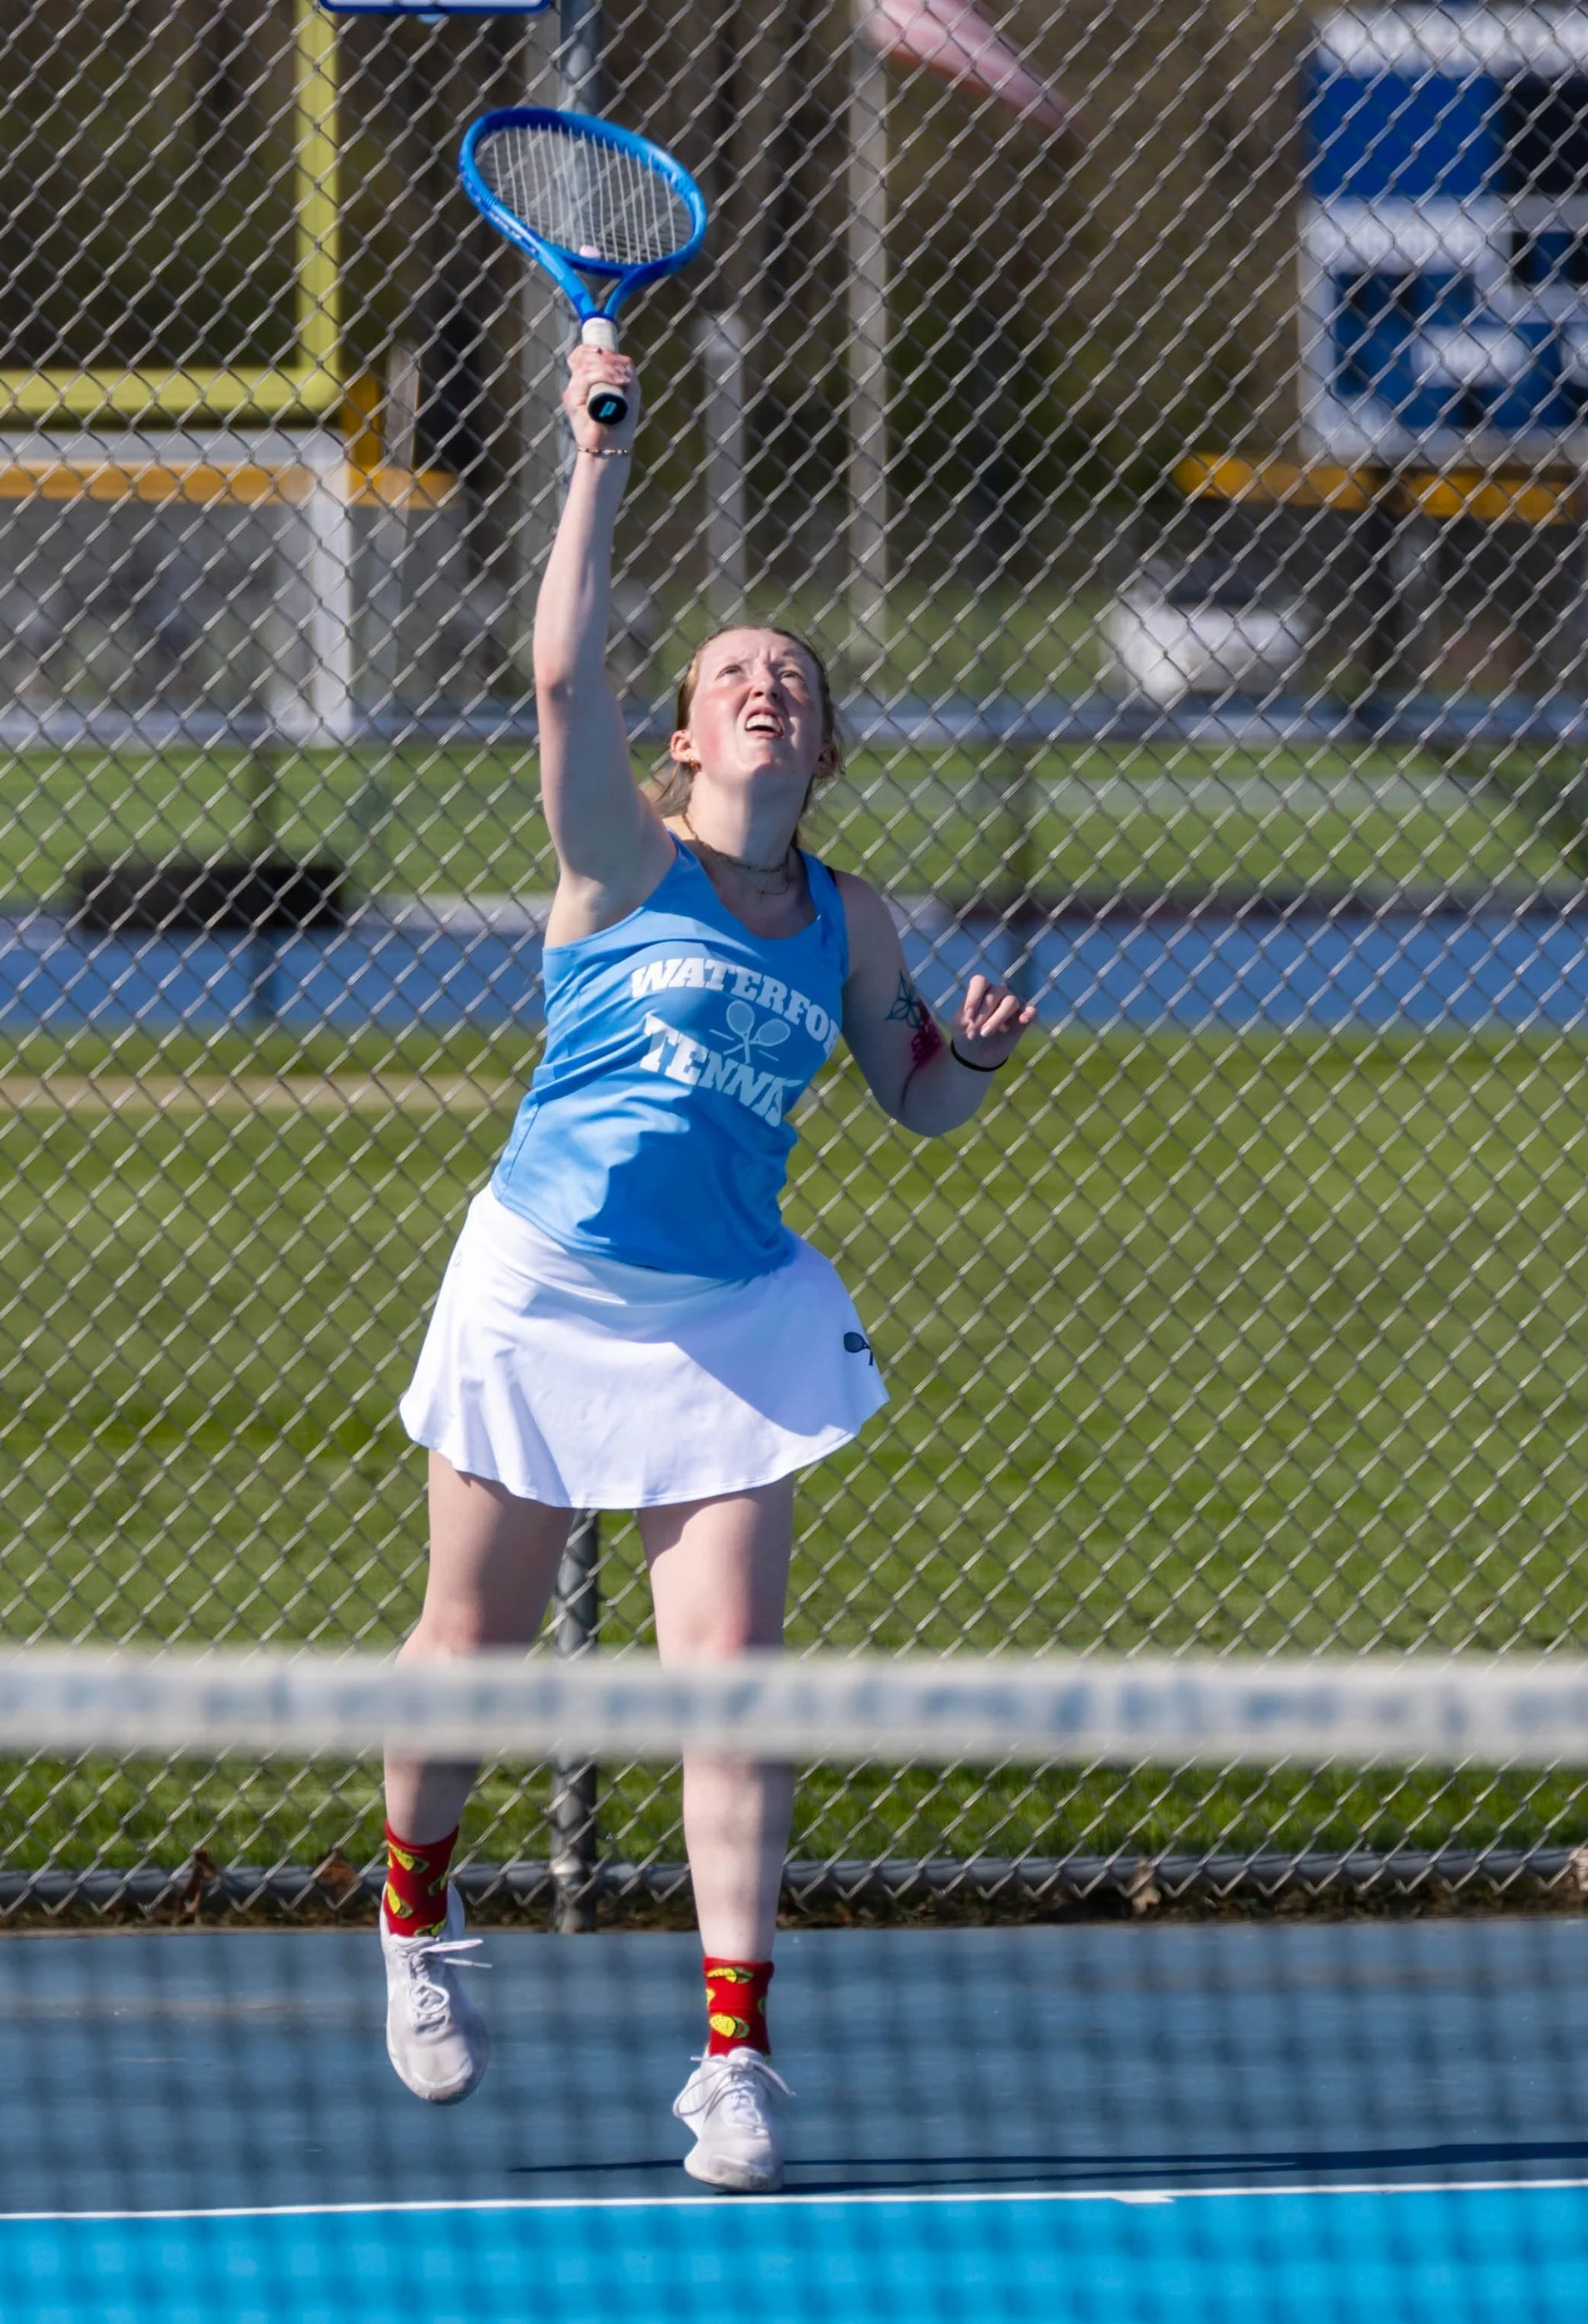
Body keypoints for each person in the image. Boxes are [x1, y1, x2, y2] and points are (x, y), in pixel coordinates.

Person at [378, 335, 1036, 2193]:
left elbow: (907, 1098)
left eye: (791, 678)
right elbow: (558, 665)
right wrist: (592, 452)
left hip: (730, 1319)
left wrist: (963, 1063)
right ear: (681, 737)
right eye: (730, 673)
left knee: (730, 1680)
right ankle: (414, 1913)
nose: (760, 683)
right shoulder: (613, 855)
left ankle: (734, 2065)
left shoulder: (855, 917)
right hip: (541, 1283)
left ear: (822, 745)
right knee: (470, 1653)